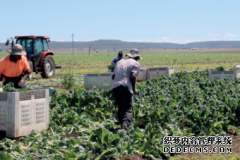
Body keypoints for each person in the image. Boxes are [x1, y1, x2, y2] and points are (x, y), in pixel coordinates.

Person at [111, 48, 142, 131]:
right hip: (125, 86)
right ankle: (125, 126)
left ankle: (122, 126)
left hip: (115, 87)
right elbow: (133, 76)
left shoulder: (119, 62)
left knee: (120, 107)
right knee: (128, 109)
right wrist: (134, 88)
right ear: (136, 57)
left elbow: (113, 77)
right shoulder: (135, 63)